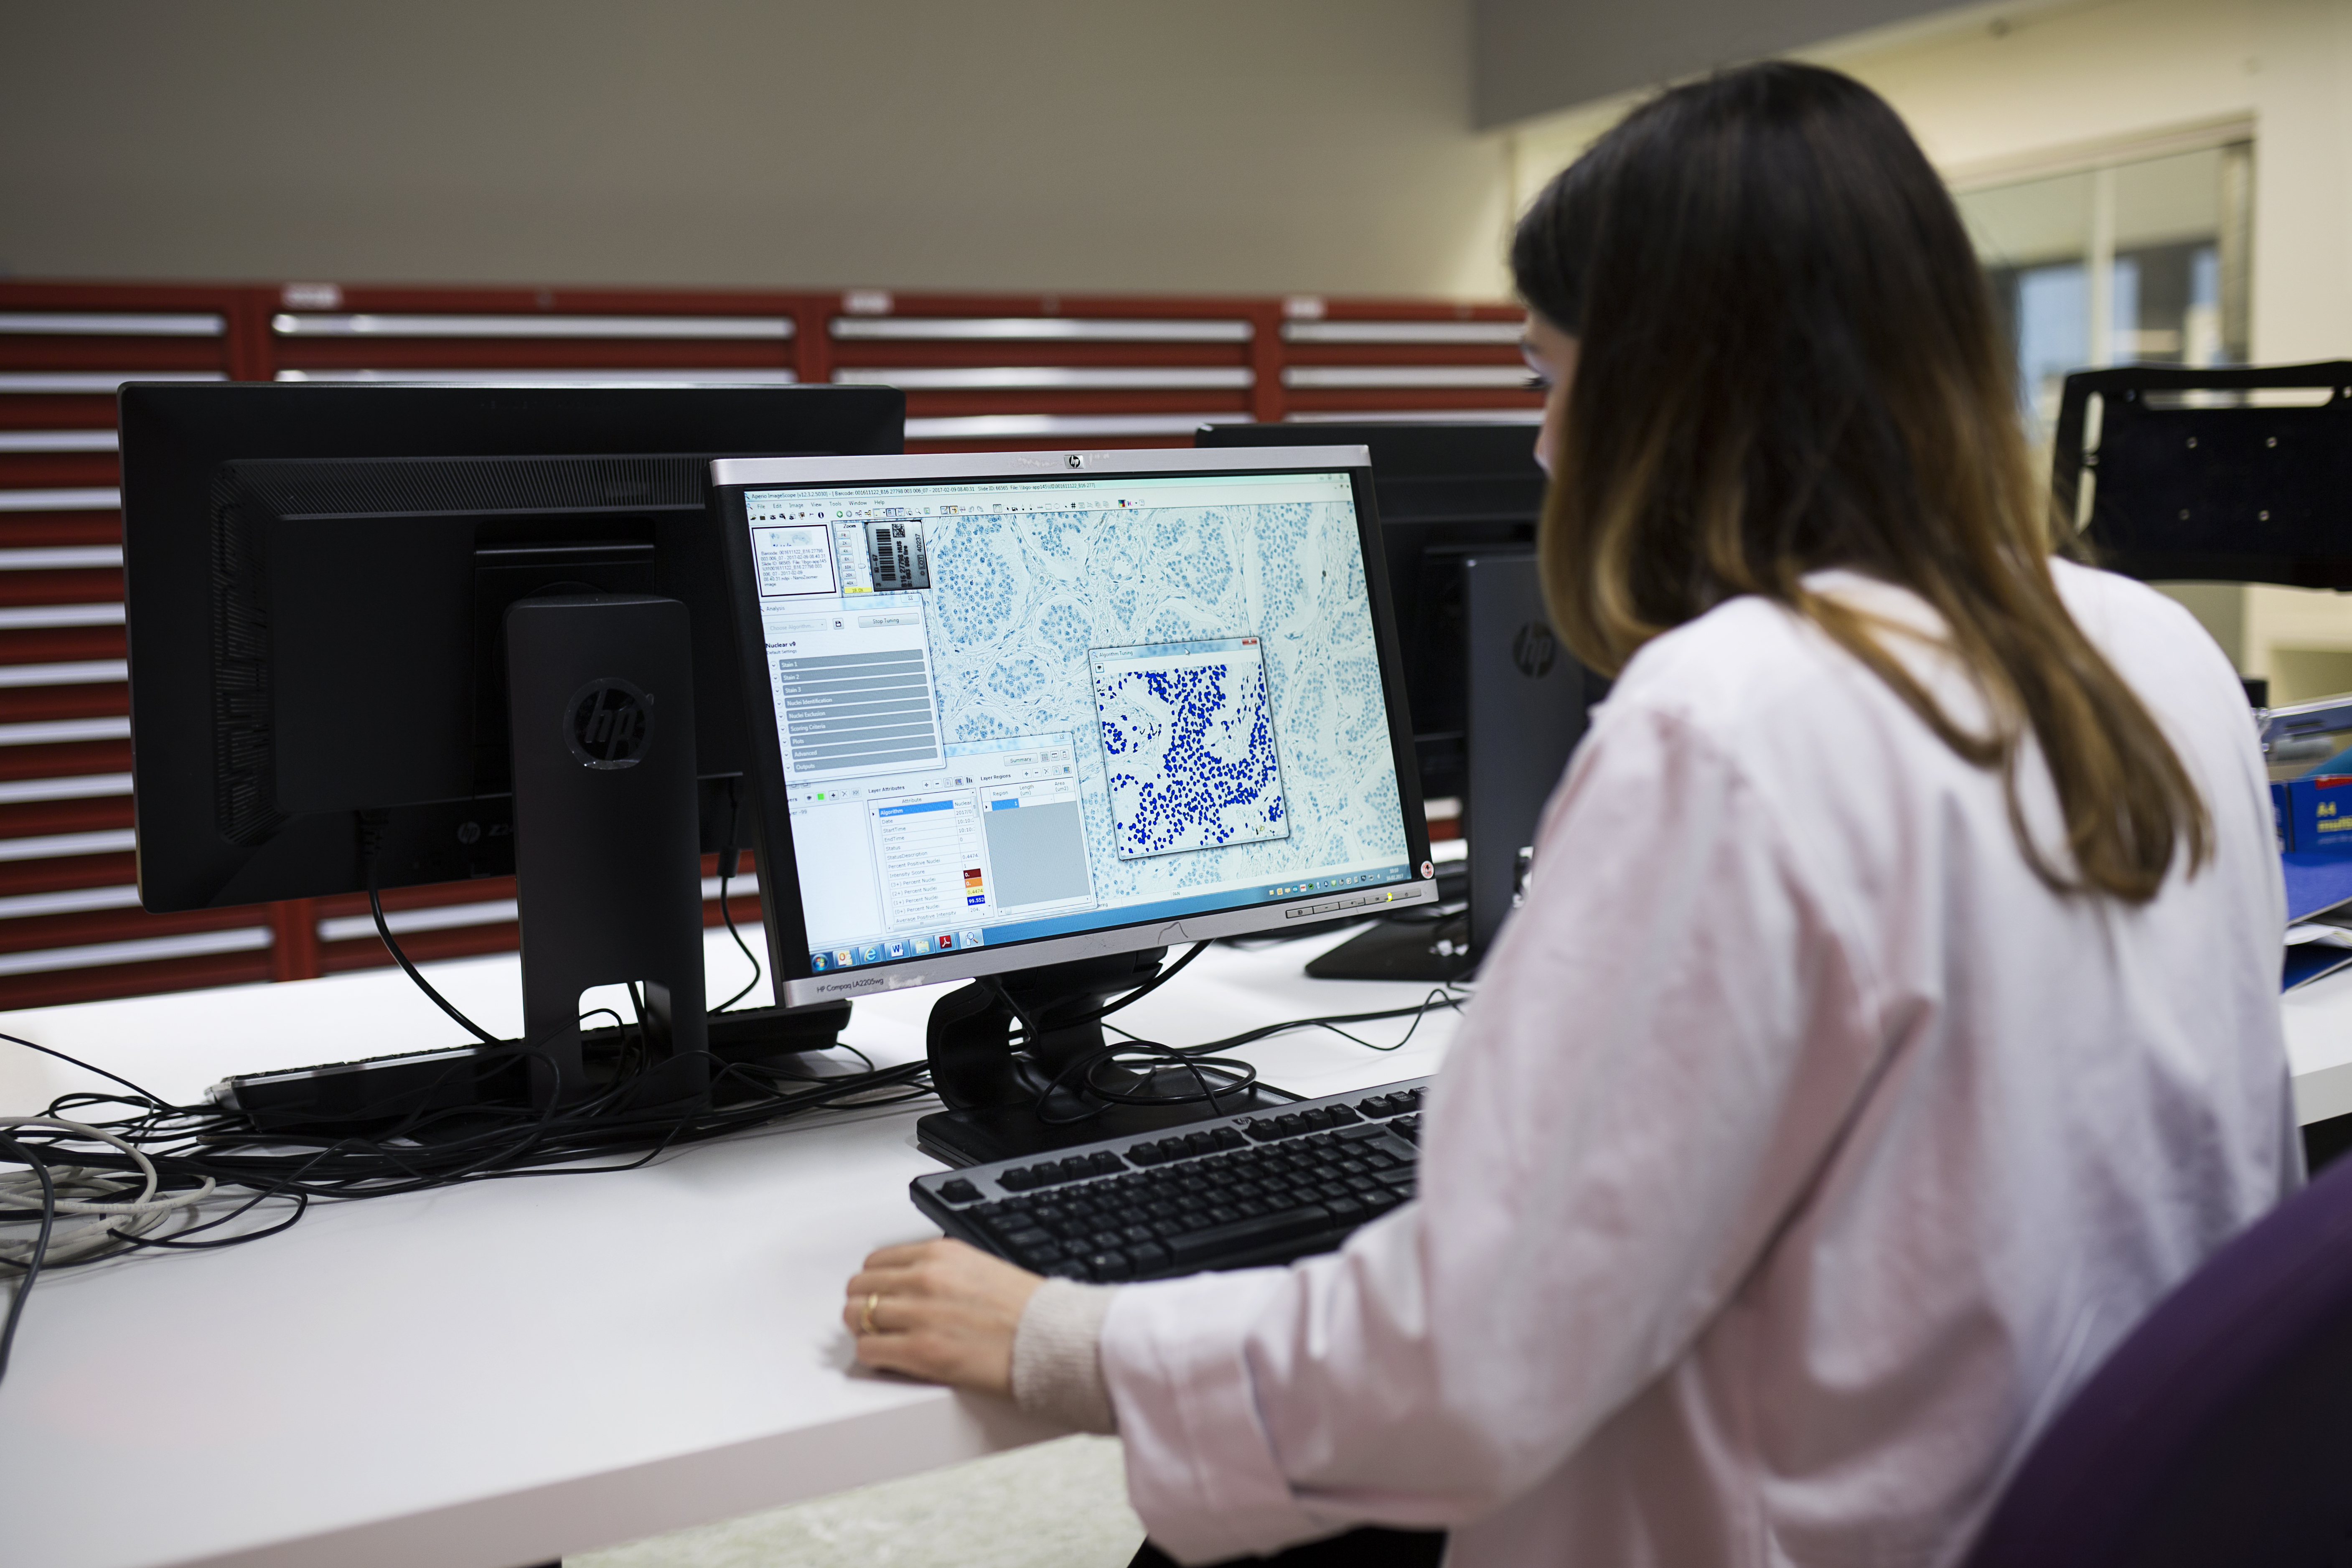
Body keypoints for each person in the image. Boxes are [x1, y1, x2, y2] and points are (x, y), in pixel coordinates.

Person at [841, 61, 2296, 1568]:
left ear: (1675, 387)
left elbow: (1477, 1362)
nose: (1540, 448)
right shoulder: (2149, 651)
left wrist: (1064, 1337)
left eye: (1547, 378)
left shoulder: (1730, 719)